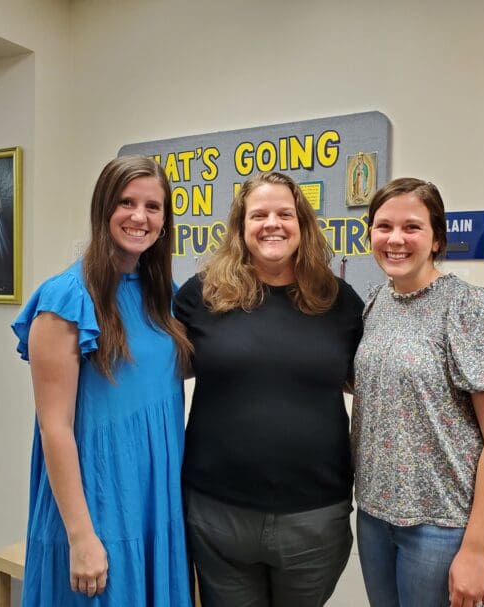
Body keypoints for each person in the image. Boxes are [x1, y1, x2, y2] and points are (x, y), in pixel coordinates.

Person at [174, 171, 364, 607]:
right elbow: (152, 361)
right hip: (218, 514)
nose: (272, 223)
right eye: (258, 214)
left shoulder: (339, 300)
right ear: (241, 228)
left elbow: (369, 377)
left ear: (303, 225)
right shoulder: (201, 295)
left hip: (313, 518)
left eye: (285, 214)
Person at [11, 155, 193, 606]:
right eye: (126, 202)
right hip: (99, 501)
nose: (139, 217)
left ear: (165, 220)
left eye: (153, 207)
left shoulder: (161, 296)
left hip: (156, 497)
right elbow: (54, 427)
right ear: (102, 209)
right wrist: (81, 536)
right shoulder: (65, 299)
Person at [351, 178, 484, 607]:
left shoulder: (471, 308)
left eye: (412, 227)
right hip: (376, 516)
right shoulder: (376, 303)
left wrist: (476, 549)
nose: (395, 239)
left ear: (436, 239)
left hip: (446, 526)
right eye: (383, 226)